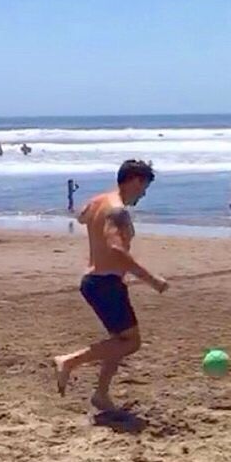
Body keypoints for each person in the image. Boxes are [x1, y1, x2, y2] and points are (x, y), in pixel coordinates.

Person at [53, 159, 169, 412]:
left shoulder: (101, 202)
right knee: (130, 342)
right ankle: (69, 361)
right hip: (104, 283)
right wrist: (151, 279)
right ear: (135, 181)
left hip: (96, 282)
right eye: (144, 187)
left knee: (119, 340)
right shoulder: (118, 211)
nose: (143, 194)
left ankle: (101, 395)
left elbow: (82, 216)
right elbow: (115, 249)